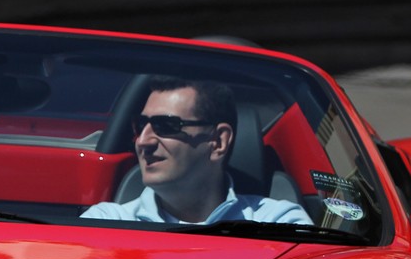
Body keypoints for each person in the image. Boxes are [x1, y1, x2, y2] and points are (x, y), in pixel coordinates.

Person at [81, 79, 311, 225]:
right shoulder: (105, 223)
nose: (143, 141)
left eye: (166, 126)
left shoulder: (279, 224)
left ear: (218, 141)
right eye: (141, 126)